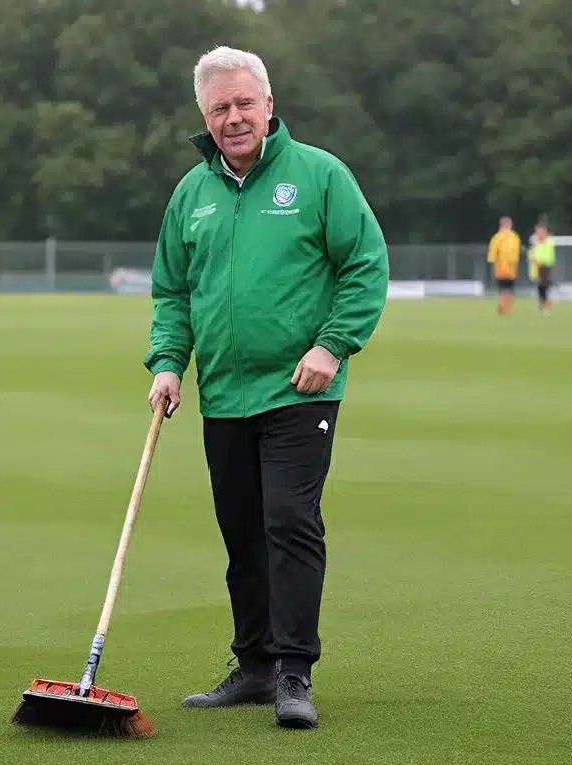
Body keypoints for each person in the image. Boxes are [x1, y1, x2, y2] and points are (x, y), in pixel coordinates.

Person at [144, 45, 389, 729]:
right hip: (224, 393)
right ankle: (252, 667)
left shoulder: (318, 176)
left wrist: (332, 345)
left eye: (244, 103)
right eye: (220, 108)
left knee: (289, 524)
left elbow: (366, 264)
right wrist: (168, 362)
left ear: (269, 104)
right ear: (205, 115)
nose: (234, 117)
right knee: (243, 535)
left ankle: (293, 672)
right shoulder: (191, 194)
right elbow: (172, 289)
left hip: (299, 392)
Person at [487, 216, 521, 314]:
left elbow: (492, 253)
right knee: (509, 289)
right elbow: (517, 252)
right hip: (511, 268)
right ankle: (506, 308)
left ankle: (504, 306)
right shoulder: (514, 236)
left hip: (501, 268)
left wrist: (491, 260)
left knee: (503, 289)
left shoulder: (497, 237)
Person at [528, 221, 556, 314]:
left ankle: (547, 308)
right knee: (540, 288)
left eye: (540, 231)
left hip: (545, 268)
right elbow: (531, 255)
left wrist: (540, 262)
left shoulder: (549, 242)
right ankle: (542, 307)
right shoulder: (535, 243)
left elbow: (549, 257)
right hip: (537, 269)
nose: (538, 234)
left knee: (546, 288)